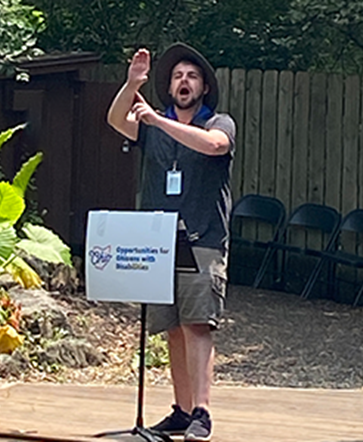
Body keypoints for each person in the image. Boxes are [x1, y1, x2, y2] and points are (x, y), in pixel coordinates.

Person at [106, 43, 236, 442]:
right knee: (174, 329)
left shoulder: (219, 122)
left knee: (198, 325)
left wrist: (159, 123)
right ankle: (181, 411)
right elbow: (114, 119)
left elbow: (213, 145)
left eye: (192, 76)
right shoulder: (152, 123)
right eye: (178, 76)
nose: (184, 82)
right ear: (169, 85)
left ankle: (202, 412)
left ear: (204, 88)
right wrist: (131, 85)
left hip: (202, 240)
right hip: (159, 242)